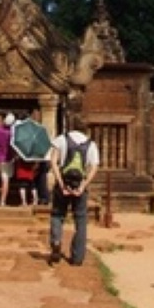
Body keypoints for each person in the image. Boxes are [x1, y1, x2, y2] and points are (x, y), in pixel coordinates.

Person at [48, 113, 99, 266]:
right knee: (81, 220)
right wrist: (83, 185)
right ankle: (77, 258)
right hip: (79, 186)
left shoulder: (61, 139)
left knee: (57, 214)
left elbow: (53, 162)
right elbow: (94, 167)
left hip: (63, 184)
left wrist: (61, 182)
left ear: (71, 125)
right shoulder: (91, 144)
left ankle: (56, 240)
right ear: (86, 128)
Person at [30, 108, 52, 206]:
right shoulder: (39, 129)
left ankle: (44, 198)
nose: (35, 117)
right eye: (34, 115)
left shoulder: (39, 130)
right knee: (39, 179)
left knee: (41, 179)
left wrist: (37, 162)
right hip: (42, 157)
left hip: (42, 158)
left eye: (36, 115)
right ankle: (42, 197)